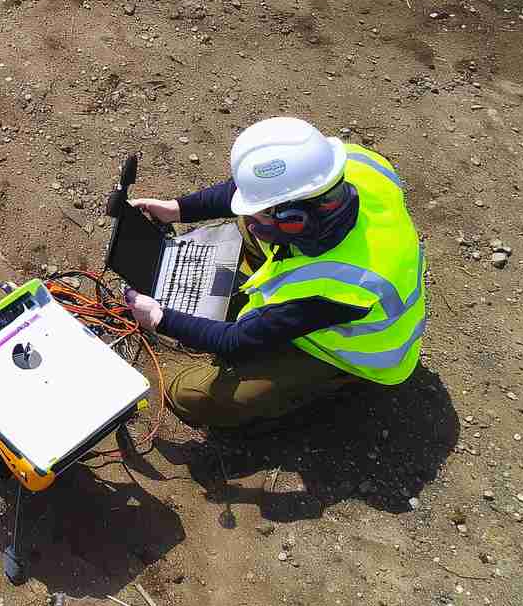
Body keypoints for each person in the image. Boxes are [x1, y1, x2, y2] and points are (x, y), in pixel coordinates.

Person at [121, 117, 426, 430]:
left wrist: (161, 318)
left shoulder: (338, 286)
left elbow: (236, 340)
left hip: (357, 354)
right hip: (320, 284)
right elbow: (254, 196)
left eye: (261, 212)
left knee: (189, 394)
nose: (251, 219)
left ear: (294, 221)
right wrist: (176, 208)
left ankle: (332, 383)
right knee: (249, 226)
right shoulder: (344, 169)